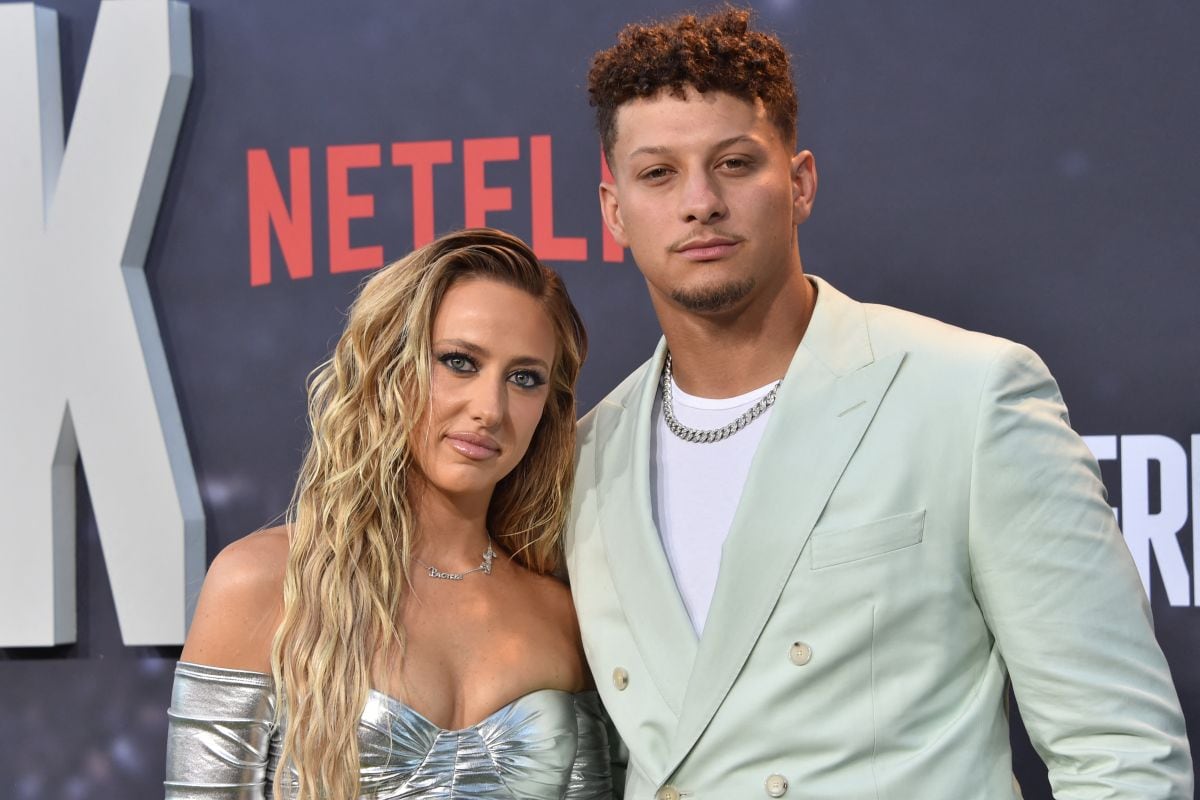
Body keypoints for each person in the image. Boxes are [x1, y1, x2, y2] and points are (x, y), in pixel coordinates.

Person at [565, 8, 1191, 800]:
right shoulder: (586, 460)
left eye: (734, 163)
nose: (700, 202)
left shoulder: (968, 397)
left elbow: (1120, 750)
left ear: (800, 184)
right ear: (614, 211)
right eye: (658, 174)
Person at [164, 228, 611, 799]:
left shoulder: (562, 615)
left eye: (524, 378)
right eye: (459, 362)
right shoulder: (265, 582)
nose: (490, 409)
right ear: (388, 368)